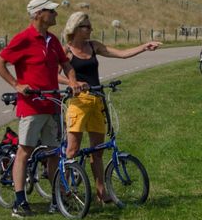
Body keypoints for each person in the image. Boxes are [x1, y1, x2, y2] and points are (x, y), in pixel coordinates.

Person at [0, 0, 82, 217]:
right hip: (31, 106)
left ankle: (55, 198)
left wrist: (72, 82)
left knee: (53, 154)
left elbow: (67, 65)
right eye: (50, 11)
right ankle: (19, 201)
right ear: (37, 14)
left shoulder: (52, 40)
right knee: (25, 150)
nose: (55, 14)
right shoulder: (24, 39)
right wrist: (17, 84)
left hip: (51, 105)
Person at [60, 12, 161, 203]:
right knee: (72, 150)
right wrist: (73, 82)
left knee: (97, 151)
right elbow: (55, 75)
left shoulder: (93, 46)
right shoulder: (67, 51)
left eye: (90, 27)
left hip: (97, 101)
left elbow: (121, 54)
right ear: (76, 28)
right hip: (78, 103)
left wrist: (144, 47)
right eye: (87, 27)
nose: (91, 29)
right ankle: (64, 189)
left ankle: (101, 192)